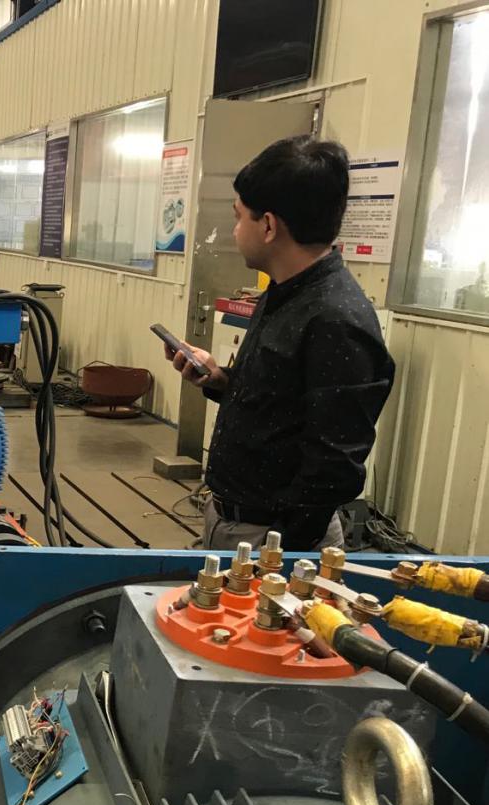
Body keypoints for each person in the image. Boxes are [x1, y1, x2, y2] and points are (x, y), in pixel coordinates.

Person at [164, 136, 396, 552]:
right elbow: (281, 401)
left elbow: (333, 465)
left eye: (239, 218)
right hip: (235, 523)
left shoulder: (336, 319)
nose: (235, 231)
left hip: (273, 540)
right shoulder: (285, 292)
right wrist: (218, 379)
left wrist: (277, 560)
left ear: (268, 226)